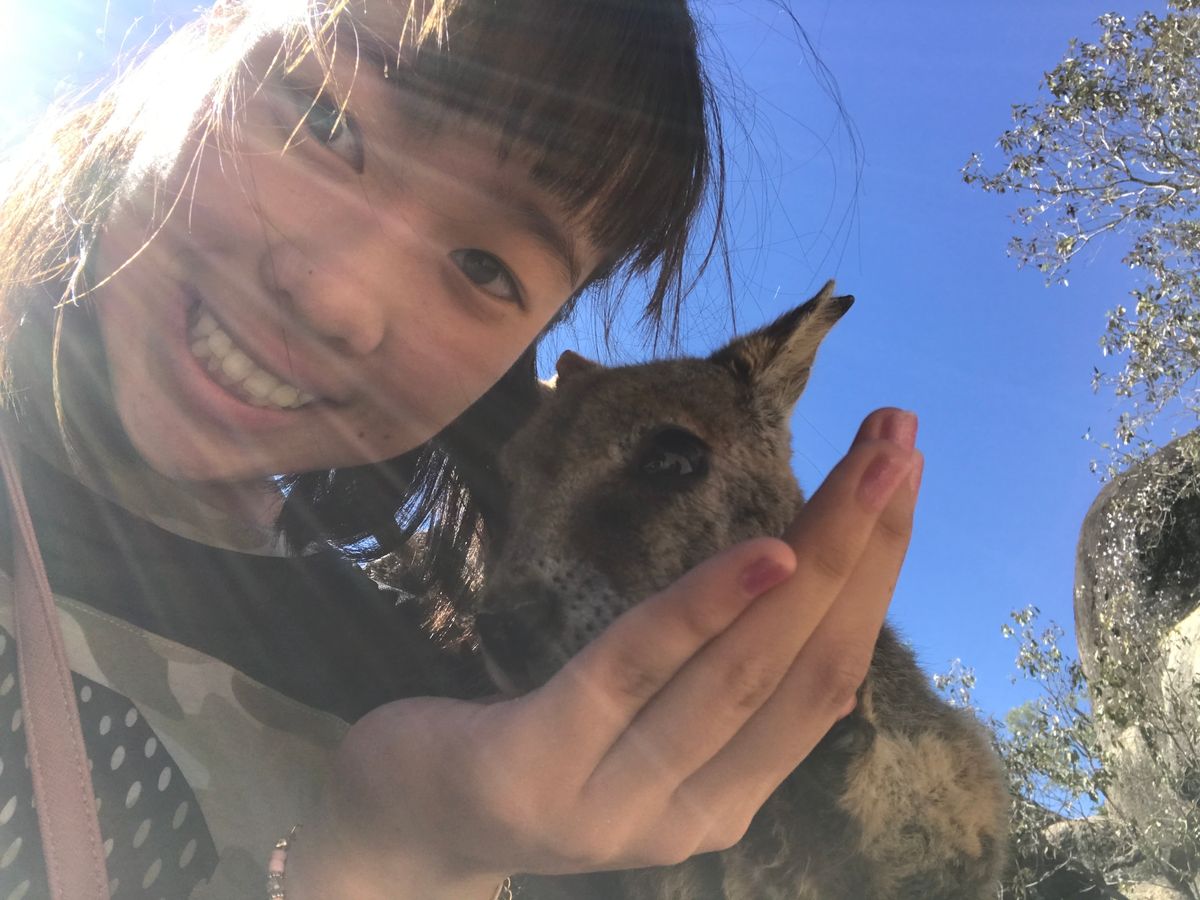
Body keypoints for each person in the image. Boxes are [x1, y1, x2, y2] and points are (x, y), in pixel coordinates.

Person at [0, 1, 923, 897]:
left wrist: (412, 851)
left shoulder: (478, 733)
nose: (334, 299)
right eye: (323, 121)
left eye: (486, 268)